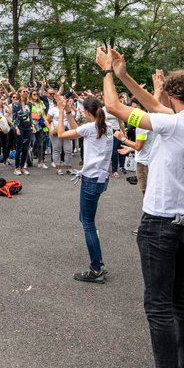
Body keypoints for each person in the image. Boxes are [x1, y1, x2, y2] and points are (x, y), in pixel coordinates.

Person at [98, 47, 184, 368]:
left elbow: (115, 108)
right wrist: (126, 74)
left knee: (159, 308)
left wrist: (107, 74)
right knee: (180, 300)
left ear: (173, 97)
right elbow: (159, 108)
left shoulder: (176, 124)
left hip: (161, 222)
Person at [51, 94, 114, 283]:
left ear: (87, 113)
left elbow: (61, 134)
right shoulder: (107, 127)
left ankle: (96, 268)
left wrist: (61, 112)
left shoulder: (90, 127)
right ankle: (98, 263)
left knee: (88, 223)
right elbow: (78, 130)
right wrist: (70, 112)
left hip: (91, 180)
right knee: (85, 219)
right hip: (101, 179)